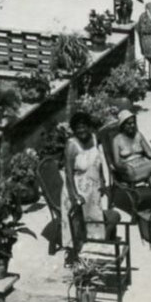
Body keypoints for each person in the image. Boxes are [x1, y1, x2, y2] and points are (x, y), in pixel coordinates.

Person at [62, 111, 111, 262]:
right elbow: (68, 173)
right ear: (74, 130)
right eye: (78, 128)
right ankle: (77, 253)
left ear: (89, 127)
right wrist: (74, 195)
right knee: (79, 223)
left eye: (84, 127)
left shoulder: (95, 138)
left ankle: (96, 250)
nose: (81, 131)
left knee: (95, 219)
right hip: (77, 188)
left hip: (93, 188)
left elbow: (99, 162)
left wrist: (103, 180)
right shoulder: (72, 145)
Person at [110, 110, 151, 211]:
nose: (132, 126)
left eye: (133, 123)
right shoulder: (117, 140)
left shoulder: (138, 135)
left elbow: (150, 153)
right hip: (129, 171)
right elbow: (116, 162)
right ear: (122, 125)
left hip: (144, 167)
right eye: (129, 124)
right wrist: (125, 167)